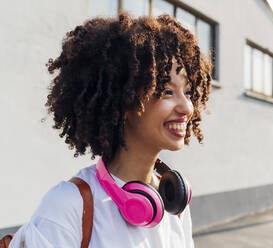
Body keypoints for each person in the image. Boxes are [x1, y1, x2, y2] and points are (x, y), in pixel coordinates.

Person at [9, 11, 212, 248]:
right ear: (124, 100)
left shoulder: (173, 202)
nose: (187, 107)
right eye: (167, 91)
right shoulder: (67, 207)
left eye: (187, 92)